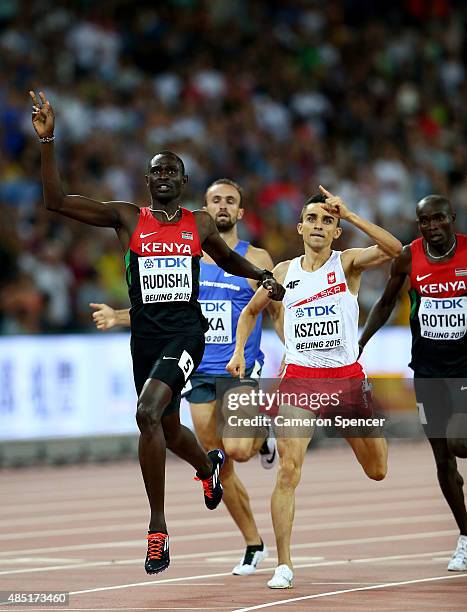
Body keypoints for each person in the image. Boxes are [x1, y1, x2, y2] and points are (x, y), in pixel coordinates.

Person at [29, 90, 285, 575]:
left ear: (184, 182)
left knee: (146, 412)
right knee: (165, 428)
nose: (164, 176)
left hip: (188, 334)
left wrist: (262, 278)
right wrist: (48, 141)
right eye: (157, 170)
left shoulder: (199, 222)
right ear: (147, 180)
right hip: (144, 339)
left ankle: (157, 530)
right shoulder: (128, 217)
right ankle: (208, 467)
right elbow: (55, 201)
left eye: (173, 171)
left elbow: (230, 259)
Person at [90, 177, 283, 575]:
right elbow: (164, 305)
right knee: (218, 460)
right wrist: (119, 316)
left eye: (231, 200)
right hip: (198, 368)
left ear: (241, 211)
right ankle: (251, 542)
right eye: (216, 200)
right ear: (206, 208)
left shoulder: (256, 257)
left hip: (240, 369)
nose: (223, 206)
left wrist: (290, 348)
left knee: (241, 449)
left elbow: (274, 312)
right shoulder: (190, 251)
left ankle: (264, 435)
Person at [227, 187, 402, 588]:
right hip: (300, 379)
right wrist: (238, 351)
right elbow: (251, 312)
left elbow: (395, 249)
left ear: (336, 232)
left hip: (346, 380)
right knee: (288, 473)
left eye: (328, 221)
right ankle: (284, 565)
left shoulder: (348, 264)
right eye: (313, 219)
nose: (319, 226)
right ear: (300, 226)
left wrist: (352, 214)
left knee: (377, 469)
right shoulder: (284, 273)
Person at [359, 194, 467, 571]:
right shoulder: (409, 256)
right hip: (427, 370)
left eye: (439, 219)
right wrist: (360, 342)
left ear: (452, 217)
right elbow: (386, 302)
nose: (432, 227)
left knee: (460, 441)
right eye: (425, 221)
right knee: (443, 460)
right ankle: (465, 536)